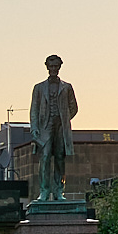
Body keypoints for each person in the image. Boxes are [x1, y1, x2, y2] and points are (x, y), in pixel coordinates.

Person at [29, 54, 78, 202]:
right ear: (47, 67)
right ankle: (44, 191)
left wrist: (64, 118)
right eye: (51, 66)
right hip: (45, 126)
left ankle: (58, 191)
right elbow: (34, 110)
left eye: (56, 66)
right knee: (44, 158)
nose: (53, 69)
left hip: (61, 127)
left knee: (59, 158)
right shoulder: (38, 88)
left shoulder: (67, 87)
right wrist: (35, 128)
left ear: (60, 67)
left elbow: (74, 107)